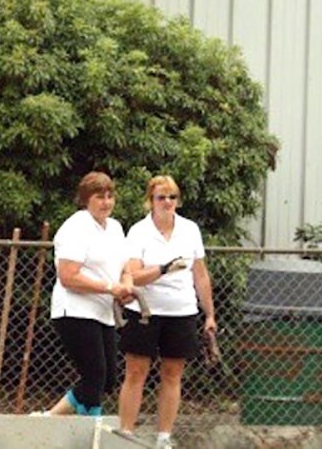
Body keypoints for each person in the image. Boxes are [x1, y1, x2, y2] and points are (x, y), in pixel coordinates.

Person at [117, 175, 216, 449]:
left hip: (181, 310)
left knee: (172, 373)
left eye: (172, 197)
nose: (168, 202)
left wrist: (209, 314)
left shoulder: (190, 230)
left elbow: (201, 275)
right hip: (145, 310)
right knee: (136, 371)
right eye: (161, 197)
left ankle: (164, 437)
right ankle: (125, 433)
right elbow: (133, 275)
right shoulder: (138, 231)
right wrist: (163, 269)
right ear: (151, 201)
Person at [33, 171, 133, 417]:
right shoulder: (76, 227)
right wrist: (110, 288)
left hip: (103, 312)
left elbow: (125, 266)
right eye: (100, 197)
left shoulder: (115, 228)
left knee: (108, 379)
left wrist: (126, 284)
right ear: (86, 199)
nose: (106, 202)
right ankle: (91, 428)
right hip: (75, 310)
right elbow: (69, 276)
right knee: (95, 374)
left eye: (110, 196)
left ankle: (50, 418)